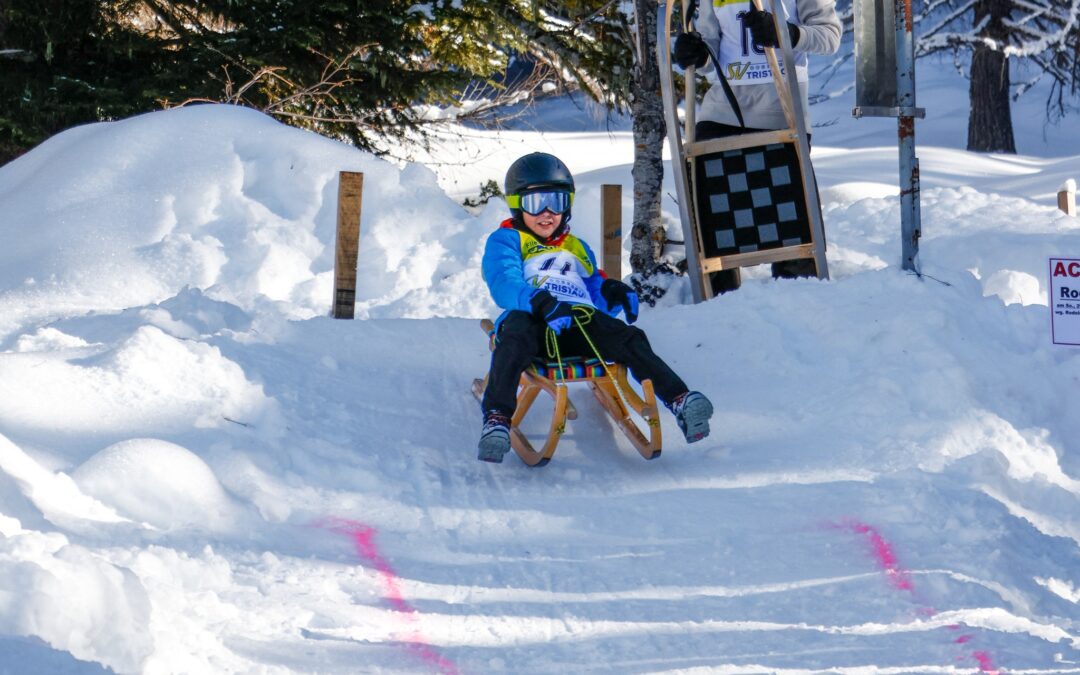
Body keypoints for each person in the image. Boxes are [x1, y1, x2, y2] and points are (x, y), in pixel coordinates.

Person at [477, 152, 714, 463]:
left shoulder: (576, 247)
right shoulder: (508, 239)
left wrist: (611, 291)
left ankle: (680, 400)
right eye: (536, 203)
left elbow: (592, 289)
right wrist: (539, 301)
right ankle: (496, 418)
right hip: (532, 321)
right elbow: (503, 282)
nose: (548, 213)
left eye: (557, 203)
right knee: (513, 339)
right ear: (517, 205)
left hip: (578, 323)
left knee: (629, 337)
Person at [674, 0, 841, 293]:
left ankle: (800, 302)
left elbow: (829, 35)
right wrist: (697, 55)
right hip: (723, 111)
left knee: (791, 228)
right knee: (714, 219)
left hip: (782, 114)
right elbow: (710, 46)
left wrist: (786, 33)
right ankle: (717, 304)